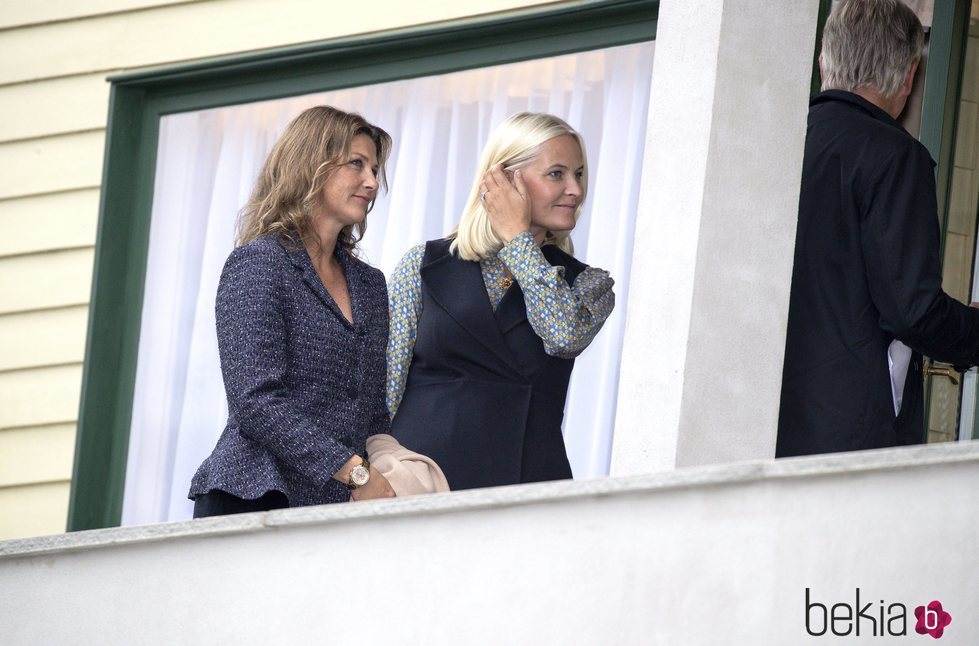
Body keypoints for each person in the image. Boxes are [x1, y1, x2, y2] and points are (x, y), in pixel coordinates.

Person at [777, 0, 979, 457]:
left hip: (764, 421)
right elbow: (913, 312)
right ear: (908, 76)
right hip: (851, 437)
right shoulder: (895, 157)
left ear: (824, 61)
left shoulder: (783, 143)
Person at [386, 112, 615, 490]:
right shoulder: (424, 264)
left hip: (523, 485)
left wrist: (518, 240)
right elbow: (385, 385)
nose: (575, 189)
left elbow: (563, 336)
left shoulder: (588, 283)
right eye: (557, 174)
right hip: (421, 482)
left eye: (579, 174)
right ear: (504, 179)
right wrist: (370, 475)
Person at [189, 106, 397, 517]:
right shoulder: (259, 263)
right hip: (254, 496)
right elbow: (255, 400)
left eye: (374, 169)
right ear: (311, 167)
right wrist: (355, 472)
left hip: (339, 509)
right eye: (356, 164)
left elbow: (372, 413)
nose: (372, 182)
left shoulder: (371, 285)